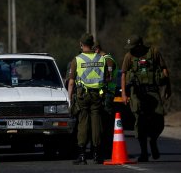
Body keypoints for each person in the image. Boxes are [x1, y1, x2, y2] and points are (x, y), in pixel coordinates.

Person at [121, 35, 171, 162]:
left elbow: (164, 69)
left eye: (133, 47)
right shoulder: (129, 56)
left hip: (153, 91)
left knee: (159, 120)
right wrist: (124, 94)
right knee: (140, 122)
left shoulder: (154, 52)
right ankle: (144, 152)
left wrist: (168, 87)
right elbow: (123, 74)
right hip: (136, 94)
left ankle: (153, 140)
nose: (131, 50)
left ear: (139, 45)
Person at [68, 33, 114, 165]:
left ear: (81, 44)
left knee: (83, 123)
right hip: (97, 95)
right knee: (96, 123)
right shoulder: (101, 59)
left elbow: (71, 82)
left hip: (83, 95)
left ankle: (82, 155)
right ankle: (97, 154)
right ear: (92, 44)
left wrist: (70, 98)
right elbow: (108, 78)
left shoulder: (77, 59)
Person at [93, 41, 118, 159]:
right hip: (105, 93)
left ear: (97, 49)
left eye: (94, 52)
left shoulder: (107, 60)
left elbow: (109, 77)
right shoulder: (104, 59)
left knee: (106, 123)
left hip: (108, 94)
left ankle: (107, 150)